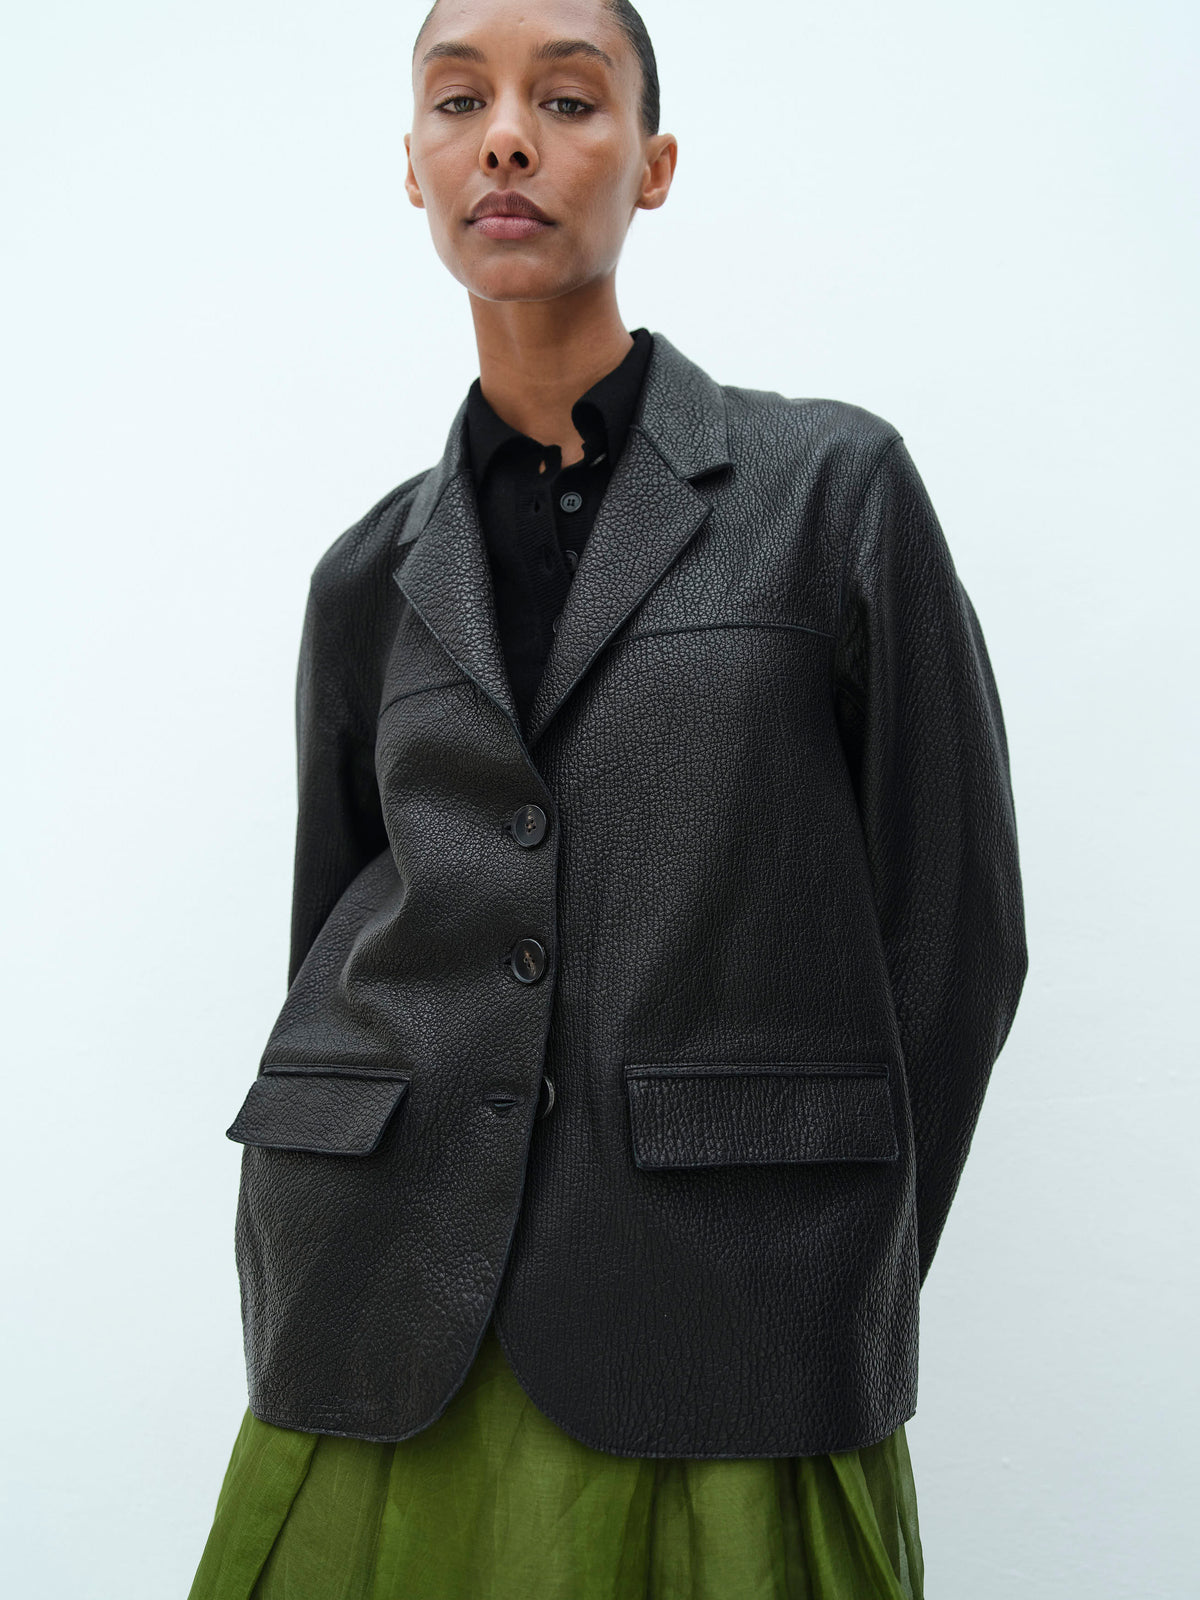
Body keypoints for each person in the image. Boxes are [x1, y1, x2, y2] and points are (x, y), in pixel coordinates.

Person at [188, 0, 1027, 1595]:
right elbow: (328, 946)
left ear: (653, 163)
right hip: (381, 1306)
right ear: (415, 164)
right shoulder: (366, 573)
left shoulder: (830, 492)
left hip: (731, 1314)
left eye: (568, 101)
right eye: (459, 101)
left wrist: (834, 1247)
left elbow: (959, 934)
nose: (506, 137)